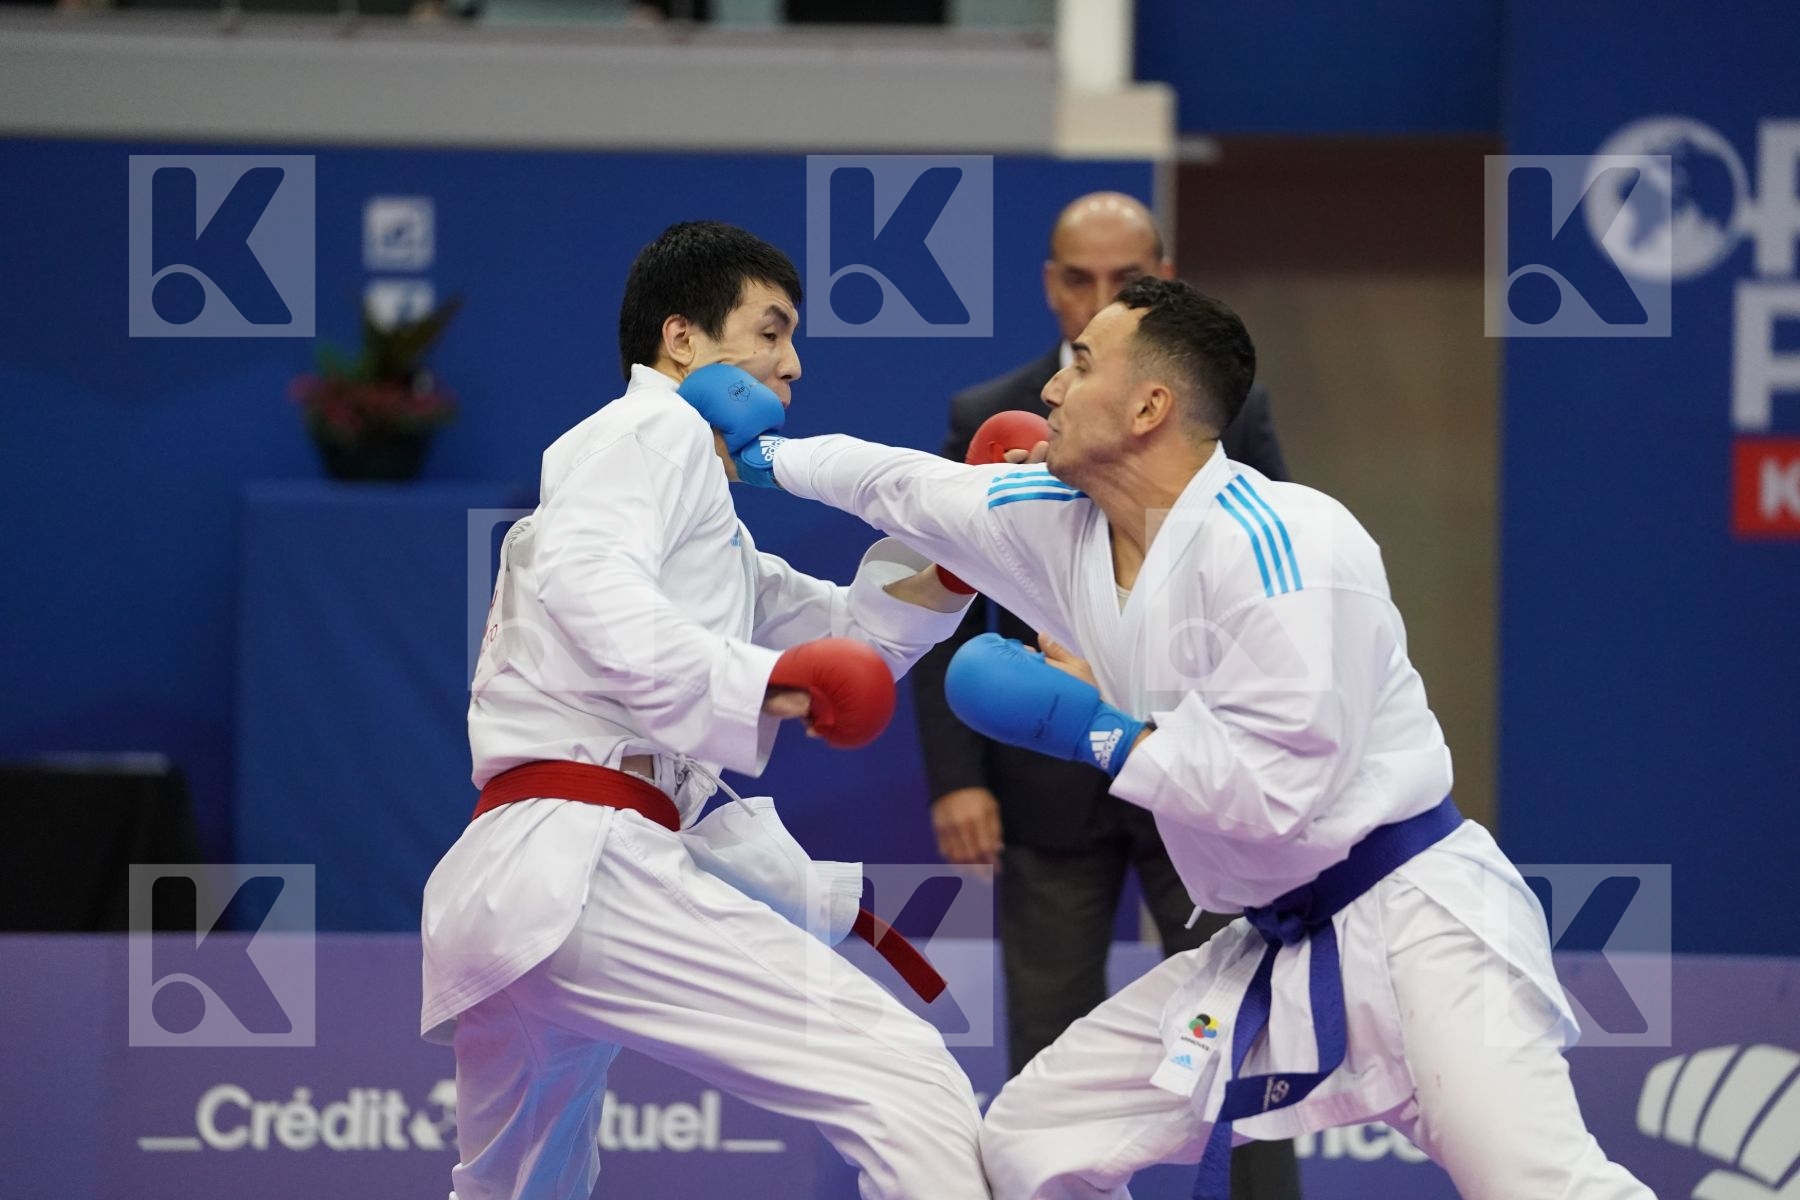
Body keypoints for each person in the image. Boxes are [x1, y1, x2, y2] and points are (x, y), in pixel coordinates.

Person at [689, 277, 1653, 1199]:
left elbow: (1280, 795)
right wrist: (771, 459)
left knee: (1537, 1186)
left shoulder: (1289, 545)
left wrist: (1096, 731)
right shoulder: (1058, 525)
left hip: (1419, 927)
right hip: (1273, 944)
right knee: (1031, 1144)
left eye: (1080, 365)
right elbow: (907, 487)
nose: (1050, 389)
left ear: (1149, 407)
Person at [419, 221, 990, 1200]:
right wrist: (759, 685)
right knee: (902, 1077)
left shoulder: (705, 531)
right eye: (771, 331)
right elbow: (590, 584)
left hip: (518, 883)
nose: (793, 364)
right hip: (586, 858)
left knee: (519, 1191)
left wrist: (954, 558)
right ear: (680, 340)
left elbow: (848, 638)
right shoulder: (653, 430)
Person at [911, 192, 1298, 1198]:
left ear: (1161, 280)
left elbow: (1274, 578)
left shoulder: (1229, 410)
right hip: (1044, 779)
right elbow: (946, 598)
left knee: (1242, 1042)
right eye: (1079, 278)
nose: (1098, 296)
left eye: (1124, 280)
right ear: (1051, 285)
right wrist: (957, 776)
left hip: (1190, 773)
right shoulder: (989, 415)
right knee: (1050, 1050)